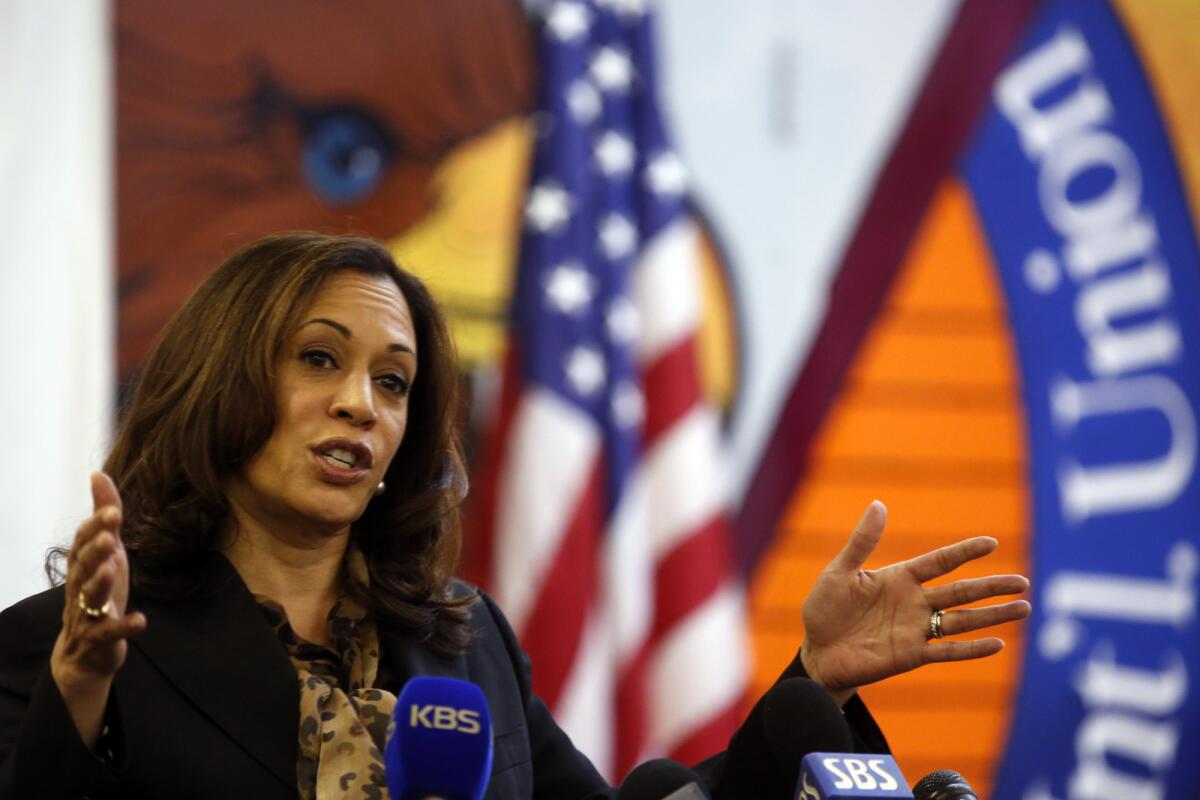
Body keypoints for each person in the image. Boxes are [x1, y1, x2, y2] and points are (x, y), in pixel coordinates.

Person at [0, 233, 1030, 799]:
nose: (363, 402)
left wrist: (813, 685)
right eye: (320, 359)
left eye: (394, 381)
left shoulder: (462, 637)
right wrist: (81, 694)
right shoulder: (56, 649)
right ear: (224, 379)